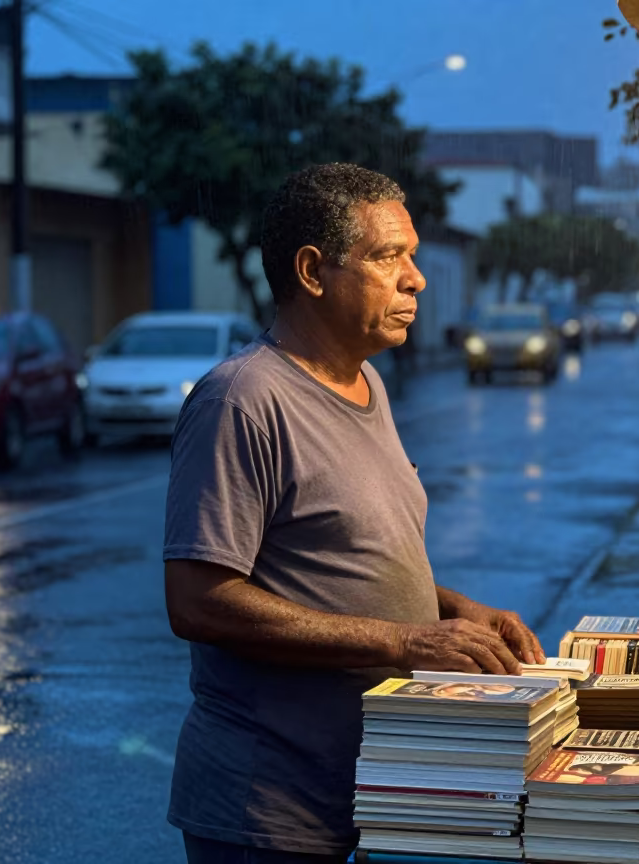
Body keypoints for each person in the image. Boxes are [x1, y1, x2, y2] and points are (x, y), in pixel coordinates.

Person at [163, 163, 546, 864]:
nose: (416, 279)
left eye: (414, 257)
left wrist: (453, 612)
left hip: (374, 793)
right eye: (387, 256)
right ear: (313, 271)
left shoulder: (367, 381)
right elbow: (198, 602)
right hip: (268, 813)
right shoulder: (242, 400)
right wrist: (405, 644)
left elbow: (345, 562)